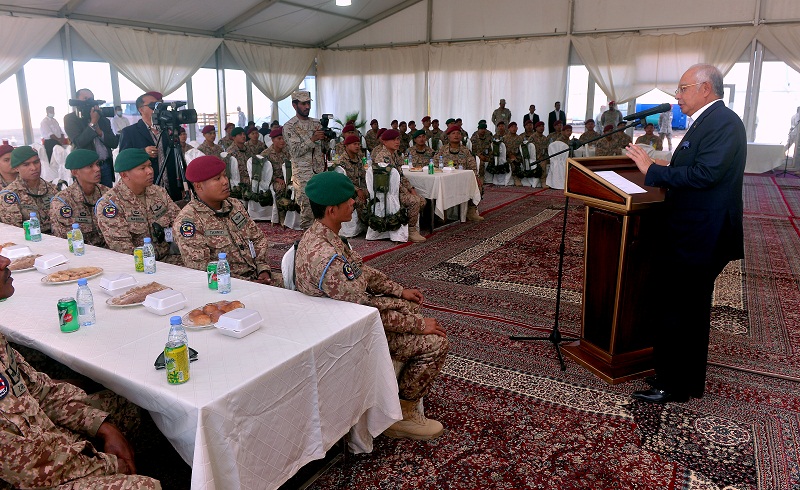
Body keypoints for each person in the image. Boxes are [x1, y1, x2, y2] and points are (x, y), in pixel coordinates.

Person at [294, 171, 448, 440]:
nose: (354, 202)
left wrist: (400, 291)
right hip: (344, 334)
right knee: (435, 342)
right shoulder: (324, 255)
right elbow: (365, 310)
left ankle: (386, 387)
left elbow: (360, 271)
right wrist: (418, 326)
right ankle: (402, 415)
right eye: (348, 200)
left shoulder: (327, 235)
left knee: (408, 307)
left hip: (350, 316)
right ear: (332, 209)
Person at [626, 64, 746, 404]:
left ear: (705, 88)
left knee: (680, 309)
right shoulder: (709, 121)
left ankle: (673, 384)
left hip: (701, 236)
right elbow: (694, 169)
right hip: (693, 231)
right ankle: (682, 380)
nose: (677, 96)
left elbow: (705, 174)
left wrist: (655, 171)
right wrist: (660, 171)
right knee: (685, 308)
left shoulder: (723, 123)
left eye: (682, 89)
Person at [0, 256, 162, 489]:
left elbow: (42, 391)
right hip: (30, 477)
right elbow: (28, 468)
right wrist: (109, 465)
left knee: (125, 405)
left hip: (46, 440)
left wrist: (103, 427)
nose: (5, 261)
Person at [173, 155, 277, 285]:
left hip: (257, 277)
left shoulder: (234, 205)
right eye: (217, 179)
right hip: (226, 286)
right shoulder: (189, 221)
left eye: (225, 175)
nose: (225, 181)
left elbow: (257, 238)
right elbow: (201, 269)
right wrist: (249, 283)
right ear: (199, 186)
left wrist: (263, 269)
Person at [95, 148, 182, 264]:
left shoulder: (159, 193)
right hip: (137, 265)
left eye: (150, 166)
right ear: (125, 175)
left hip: (167, 258)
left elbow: (179, 223)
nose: (150, 171)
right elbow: (123, 250)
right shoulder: (110, 204)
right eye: (142, 168)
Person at [119, 92, 184, 201]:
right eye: (153, 105)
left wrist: (182, 184)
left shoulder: (168, 130)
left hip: (172, 188)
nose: (157, 108)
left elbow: (178, 158)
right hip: (146, 188)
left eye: (159, 105)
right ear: (141, 109)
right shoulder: (129, 132)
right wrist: (143, 152)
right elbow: (123, 159)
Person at [370, 129, 427, 242]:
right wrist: (404, 191)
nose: (397, 142)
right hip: (388, 193)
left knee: (422, 200)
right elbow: (389, 181)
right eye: (393, 139)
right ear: (385, 142)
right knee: (414, 201)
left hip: (397, 190)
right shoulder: (383, 157)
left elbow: (401, 175)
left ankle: (405, 224)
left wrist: (411, 188)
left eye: (398, 139)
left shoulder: (394, 155)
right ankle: (411, 231)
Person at [283, 90, 328, 229]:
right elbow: (295, 151)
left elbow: (325, 149)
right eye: (303, 104)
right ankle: (307, 244)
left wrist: (326, 139)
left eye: (308, 103)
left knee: (323, 207)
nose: (307, 106)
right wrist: (312, 139)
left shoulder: (317, 123)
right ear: (294, 105)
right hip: (303, 174)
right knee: (307, 210)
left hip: (319, 170)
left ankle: (323, 242)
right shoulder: (290, 126)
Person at [49, 149, 109, 246]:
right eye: (90, 166)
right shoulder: (63, 201)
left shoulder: (107, 194)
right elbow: (64, 240)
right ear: (75, 172)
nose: (97, 169)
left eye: (97, 164)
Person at [63, 88, 119, 188]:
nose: (89, 101)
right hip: (86, 168)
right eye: (85, 98)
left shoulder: (103, 120)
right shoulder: (71, 119)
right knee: (88, 199)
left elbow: (114, 143)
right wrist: (93, 123)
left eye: (91, 98)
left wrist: (100, 132)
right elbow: (79, 142)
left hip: (105, 166)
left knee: (106, 199)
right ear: (77, 100)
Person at [0, 146, 57, 233]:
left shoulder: (53, 189)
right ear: (16, 168)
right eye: (26, 164)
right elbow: (15, 231)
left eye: (36, 162)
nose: (34, 168)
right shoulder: (9, 195)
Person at [435, 125, 483, 221]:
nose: (456, 135)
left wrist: (476, 177)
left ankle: (471, 211)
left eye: (458, 133)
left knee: (477, 184)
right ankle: (441, 214)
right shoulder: (442, 150)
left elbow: (472, 166)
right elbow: (435, 164)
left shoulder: (465, 151)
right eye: (453, 133)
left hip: (462, 180)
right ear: (448, 136)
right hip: (446, 180)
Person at [260, 126, 291, 225]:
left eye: (283, 138)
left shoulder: (286, 152)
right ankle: (282, 215)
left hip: (287, 177)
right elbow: (263, 173)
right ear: (273, 140)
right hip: (272, 180)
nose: (282, 141)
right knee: (280, 188)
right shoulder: (266, 154)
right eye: (279, 139)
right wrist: (276, 179)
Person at [338, 135, 369, 222]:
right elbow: (343, 180)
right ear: (347, 145)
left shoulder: (358, 158)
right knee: (360, 201)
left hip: (359, 189)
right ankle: (364, 222)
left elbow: (363, 176)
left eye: (359, 144)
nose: (357, 146)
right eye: (354, 144)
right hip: (347, 191)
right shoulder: (342, 161)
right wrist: (358, 190)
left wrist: (366, 189)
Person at [470, 121, 492, 187]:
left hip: (486, 155)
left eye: (484, 129)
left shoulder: (488, 137)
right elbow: (472, 150)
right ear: (478, 129)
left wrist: (489, 156)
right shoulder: (474, 138)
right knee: (481, 163)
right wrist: (479, 155)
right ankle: (481, 178)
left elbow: (491, 147)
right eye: (481, 129)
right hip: (477, 155)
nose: (483, 131)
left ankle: (491, 180)